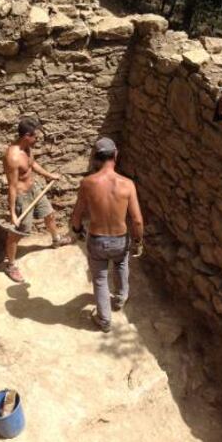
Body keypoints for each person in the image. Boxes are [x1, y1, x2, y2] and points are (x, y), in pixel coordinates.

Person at [71, 137, 144, 332]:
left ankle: (104, 321)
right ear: (116, 155)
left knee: (101, 279)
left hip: (97, 239)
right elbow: (137, 220)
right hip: (121, 239)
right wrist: (138, 240)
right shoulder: (127, 184)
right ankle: (120, 299)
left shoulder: (88, 183)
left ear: (95, 157)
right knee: (121, 265)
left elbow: (77, 214)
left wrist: (77, 230)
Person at [3, 116, 72, 283]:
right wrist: (12, 212)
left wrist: (49, 175)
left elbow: (32, 165)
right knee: (19, 231)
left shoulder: (27, 148)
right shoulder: (12, 157)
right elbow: (12, 186)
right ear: (27, 135)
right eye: (35, 136)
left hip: (35, 190)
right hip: (22, 197)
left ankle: (56, 240)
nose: (37, 139)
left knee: (49, 214)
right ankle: (10, 264)